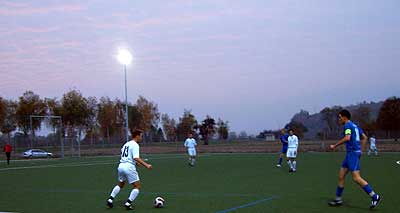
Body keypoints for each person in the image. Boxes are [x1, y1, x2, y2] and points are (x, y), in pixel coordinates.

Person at [328, 110, 381, 209]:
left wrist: (334, 145)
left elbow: (347, 138)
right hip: (351, 154)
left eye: (340, 117)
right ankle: (338, 199)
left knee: (356, 178)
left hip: (352, 154)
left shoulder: (347, 125)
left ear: (345, 117)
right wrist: (361, 150)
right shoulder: (355, 126)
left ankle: (375, 196)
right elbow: (364, 137)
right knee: (341, 176)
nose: (339, 119)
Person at [106, 130, 152, 210]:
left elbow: (126, 156)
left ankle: (110, 199)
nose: (141, 138)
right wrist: (146, 165)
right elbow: (135, 157)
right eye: (141, 136)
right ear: (137, 136)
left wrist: (136, 163)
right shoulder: (135, 145)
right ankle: (128, 203)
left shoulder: (126, 144)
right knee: (137, 186)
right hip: (129, 167)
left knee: (121, 184)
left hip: (121, 166)